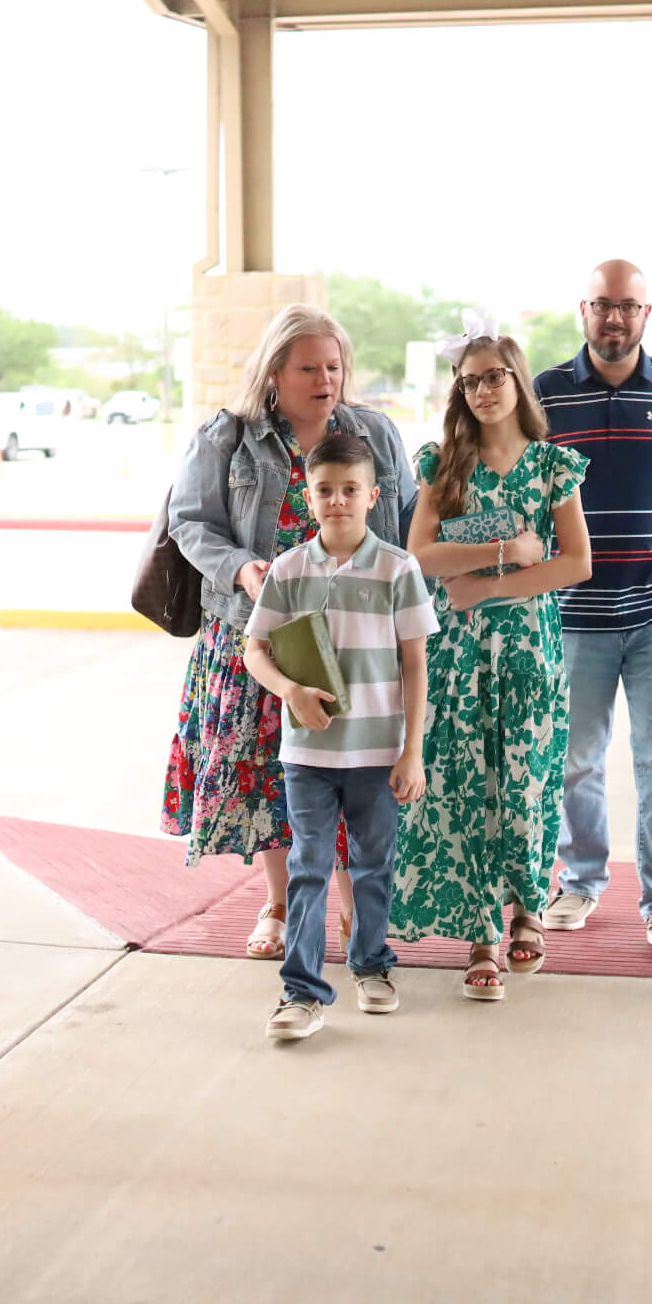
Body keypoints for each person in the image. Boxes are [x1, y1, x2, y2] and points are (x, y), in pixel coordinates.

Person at [161, 306, 417, 962]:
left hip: (358, 642)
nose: (325, 378)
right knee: (268, 780)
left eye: (333, 366)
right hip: (261, 636)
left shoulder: (377, 435)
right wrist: (240, 566)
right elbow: (190, 521)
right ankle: (277, 902)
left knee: (353, 772)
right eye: (309, 367)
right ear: (275, 371)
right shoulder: (228, 437)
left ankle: (353, 903)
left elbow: (409, 522)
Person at [392, 317, 592, 999]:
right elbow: (420, 556)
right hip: (457, 650)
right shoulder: (442, 464)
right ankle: (481, 933)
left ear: (518, 380)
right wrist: (504, 550)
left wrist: (490, 582)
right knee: (468, 787)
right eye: (469, 380)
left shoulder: (552, 464)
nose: (482, 390)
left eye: (494, 376)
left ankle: (528, 909)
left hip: (531, 646)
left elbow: (577, 563)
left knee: (528, 780)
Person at [533, 261, 652, 961]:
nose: (616, 319)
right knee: (573, 761)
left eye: (629, 307)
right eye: (604, 306)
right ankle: (578, 880)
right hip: (573, 615)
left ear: (648, 314)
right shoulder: (545, 395)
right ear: (584, 311)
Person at [243, 432, 437, 1040]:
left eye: (349, 490)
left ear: (373, 495)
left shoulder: (398, 568)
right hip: (308, 753)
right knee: (309, 865)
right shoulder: (291, 570)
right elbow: (256, 650)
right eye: (324, 490)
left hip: (378, 753)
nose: (337, 501)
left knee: (375, 865)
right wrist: (289, 691)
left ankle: (372, 965)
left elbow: (415, 664)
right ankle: (301, 993)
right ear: (309, 494)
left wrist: (413, 751)